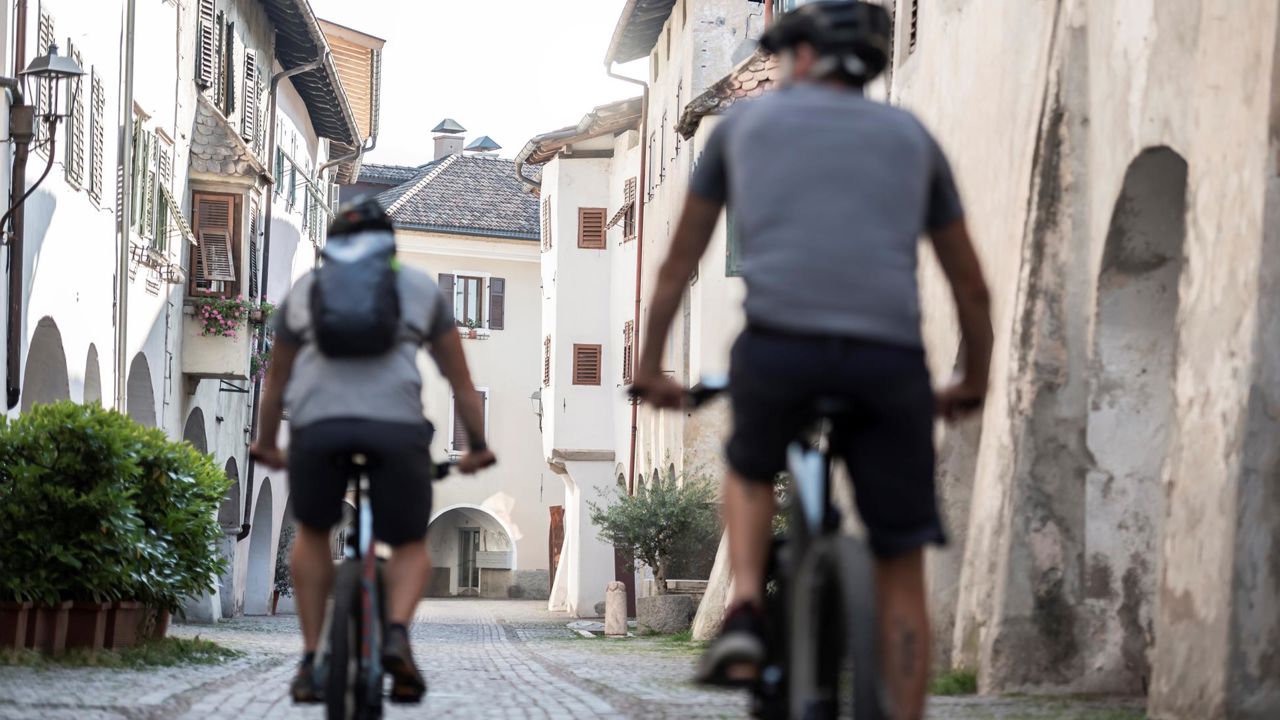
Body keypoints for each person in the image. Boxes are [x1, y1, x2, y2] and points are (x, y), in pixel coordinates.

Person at [628, 2, 993, 718]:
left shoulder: (746, 130)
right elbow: (969, 283)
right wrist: (972, 378)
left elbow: (676, 266)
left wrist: (650, 369)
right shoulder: (911, 136)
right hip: (888, 361)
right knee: (900, 560)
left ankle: (742, 612)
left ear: (797, 58)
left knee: (748, 462)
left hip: (780, 348)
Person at [251, 199, 496, 703]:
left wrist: (266, 442)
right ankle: (398, 635)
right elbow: (461, 383)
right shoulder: (417, 288)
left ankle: (312, 658)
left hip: (318, 429)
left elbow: (276, 380)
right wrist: (476, 446)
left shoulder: (306, 291)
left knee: (314, 533)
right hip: (396, 430)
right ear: (390, 245)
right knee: (408, 543)